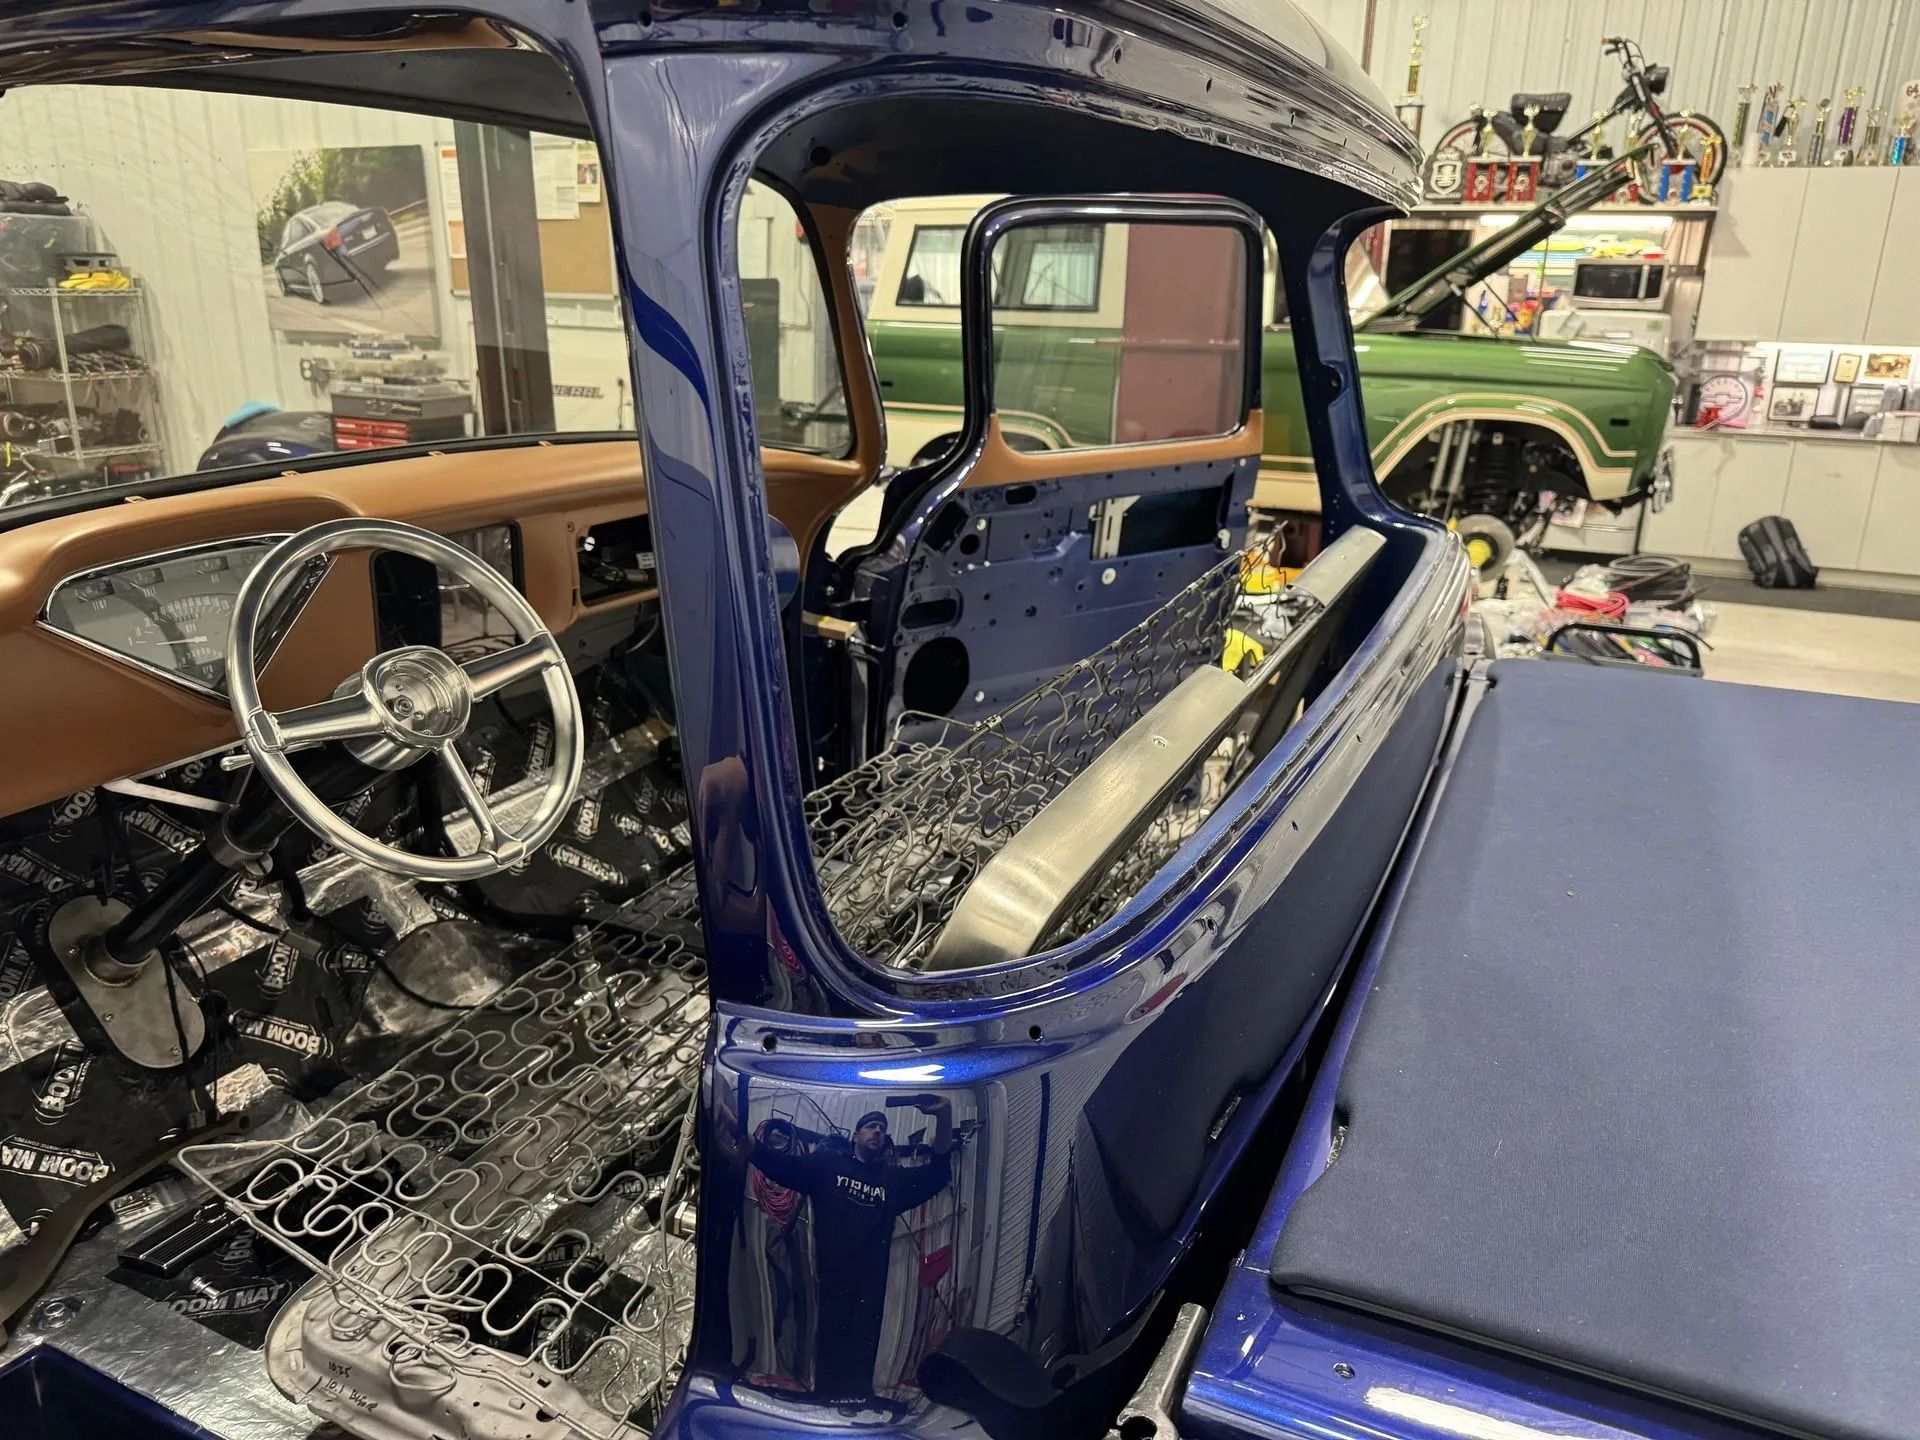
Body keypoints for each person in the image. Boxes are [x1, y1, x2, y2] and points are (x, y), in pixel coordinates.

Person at [742, 1095, 954, 1401]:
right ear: (855, 1135)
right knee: (827, 1363)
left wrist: (944, 1119)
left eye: (882, 1127)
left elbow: (937, 1175)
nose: (877, 1131)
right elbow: (780, 1164)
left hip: (870, 1291)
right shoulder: (828, 1165)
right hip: (829, 1284)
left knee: (860, 1370)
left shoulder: (892, 1181)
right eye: (870, 1126)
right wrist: (738, 1132)